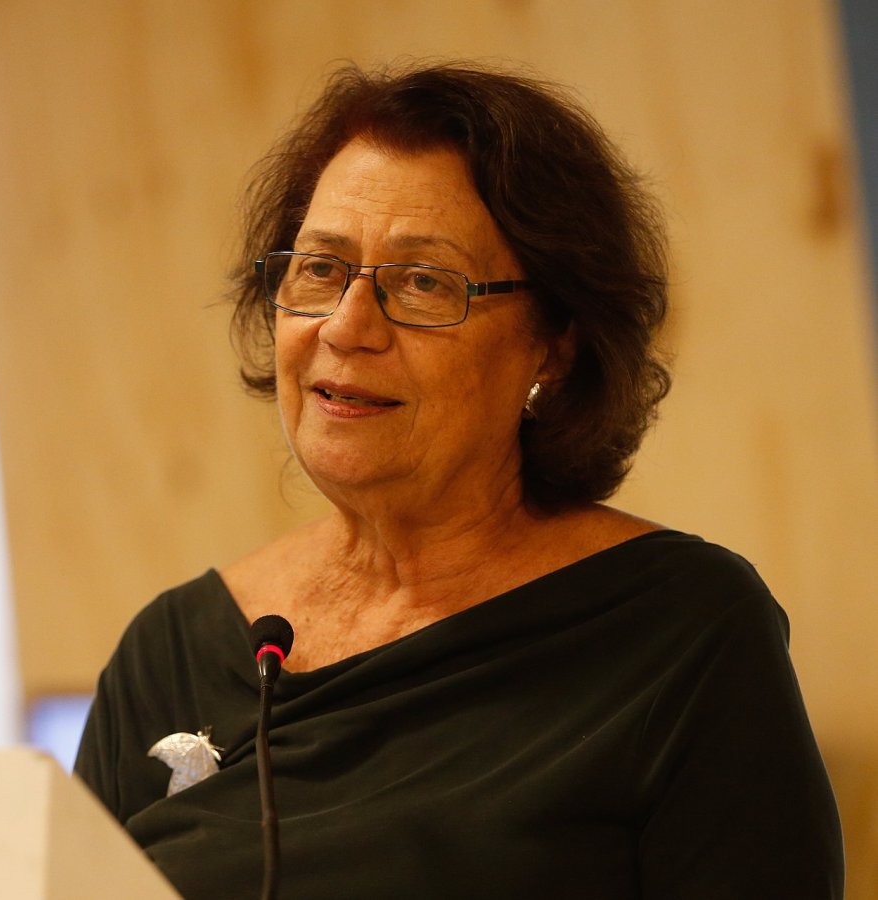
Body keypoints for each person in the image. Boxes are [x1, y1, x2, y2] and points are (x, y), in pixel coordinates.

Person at [75, 62, 844, 899]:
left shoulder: (681, 630)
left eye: (423, 283)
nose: (348, 327)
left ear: (553, 344)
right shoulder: (169, 654)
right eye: (321, 269)